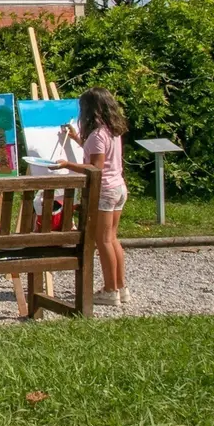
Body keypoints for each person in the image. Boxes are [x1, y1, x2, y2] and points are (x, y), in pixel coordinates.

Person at [55, 87, 130, 306]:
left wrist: (67, 164)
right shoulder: (111, 130)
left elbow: (95, 167)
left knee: (103, 240)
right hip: (118, 187)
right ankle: (120, 287)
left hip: (104, 190)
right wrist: (77, 138)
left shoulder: (98, 134)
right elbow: (98, 155)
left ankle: (109, 290)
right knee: (112, 238)